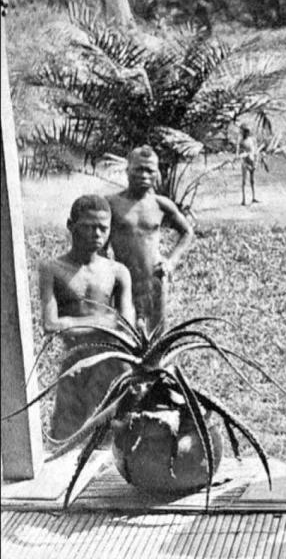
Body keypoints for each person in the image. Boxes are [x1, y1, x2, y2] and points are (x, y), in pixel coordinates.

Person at [39, 194, 135, 441]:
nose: (97, 234)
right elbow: (51, 325)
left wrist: (71, 323)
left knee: (121, 438)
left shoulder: (117, 272)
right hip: (76, 364)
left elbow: (127, 326)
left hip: (113, 364)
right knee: (67, 438)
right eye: (89, 227)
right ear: (71, 225)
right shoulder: (52, 270)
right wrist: (107, 322)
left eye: (103, 228)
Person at [106, 145, 195, 332]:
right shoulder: (111, 204)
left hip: (154, 279)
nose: (144, 175)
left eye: (150, 170)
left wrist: (171, 262)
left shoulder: (161, 204)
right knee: (125, 334)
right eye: (139, 169)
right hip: (123, 280)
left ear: (157, 173)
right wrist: (107, 267)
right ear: (127, 170)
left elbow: (187, 232)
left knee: (156, 335)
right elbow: (100, 243)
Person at [237, 124, 261, 205]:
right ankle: (244, 200)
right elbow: (240, 154)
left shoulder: (251, 140)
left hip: (251, 161)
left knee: (252, 180)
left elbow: (254, 151)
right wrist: (244, 163)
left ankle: (253, 197)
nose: (245, 133)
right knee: (244, 181)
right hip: (245, 162)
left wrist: (255, 162)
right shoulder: (241, 142)